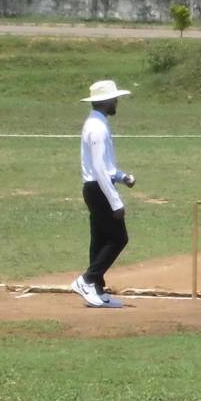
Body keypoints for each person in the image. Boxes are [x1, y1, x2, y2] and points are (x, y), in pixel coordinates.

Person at [72, 79, 135, 307]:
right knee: (118, 238)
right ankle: (87, 280)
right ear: (105, 101)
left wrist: (122, 176)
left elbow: (104, 165)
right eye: (114, 99)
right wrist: (116, 201)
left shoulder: (97, 123)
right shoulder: (97, 128)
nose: (116, 102)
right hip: (98, 188)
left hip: (97, 186)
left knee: (99, 239)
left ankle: (97, 290)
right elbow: (98, 168)